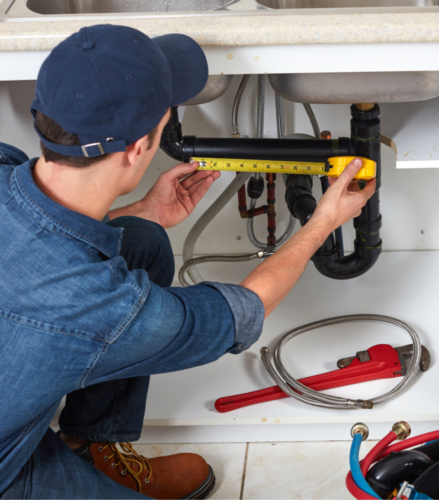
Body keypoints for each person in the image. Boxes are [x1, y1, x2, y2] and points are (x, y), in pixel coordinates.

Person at [0, 24, 376, 500]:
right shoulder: (101, 307)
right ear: (140, 148)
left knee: (139, 238)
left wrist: (145, 212)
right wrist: (323, 221)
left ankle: (88, 448)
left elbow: (41, 253)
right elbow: (244, 308)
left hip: (12, 418)